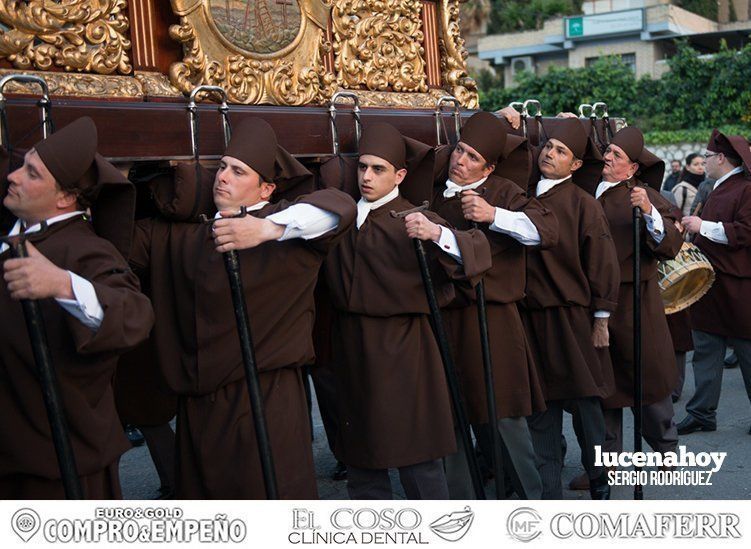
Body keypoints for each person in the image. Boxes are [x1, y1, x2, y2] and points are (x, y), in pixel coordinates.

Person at [130, 117, 357, 498]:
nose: (223, 177)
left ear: (266, 187)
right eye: (220, 167)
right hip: (200, 405)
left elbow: (340, 207)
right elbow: (114, 239)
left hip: (266, 399)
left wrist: (268, 229)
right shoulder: (181, 234)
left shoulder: (288, 228)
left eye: (238, 171)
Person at [323, 122, 491, 499]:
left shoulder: (416, 218)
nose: (367, 176)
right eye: (362, 167)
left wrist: (437, 235)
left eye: (378, 169)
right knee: (362, 457)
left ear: (400, 174)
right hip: (352, 348)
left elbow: (474, 258)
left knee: (417, 456)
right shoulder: (342, 217)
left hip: (405, 349)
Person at [0, 117, 154, 498]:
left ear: (65, 198)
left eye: (31, 173)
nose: (14, 177)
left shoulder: (84, 249)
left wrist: (61, 283)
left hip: (55, 459)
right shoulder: (21, 225)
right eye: (21, 165)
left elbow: (134, 312)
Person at [431, 111, 559, 500]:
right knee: (451, 419)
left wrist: (494, 215)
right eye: (459, 151)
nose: (460, 160)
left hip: (493, 321)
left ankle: (529, 505)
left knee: (503, 417)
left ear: (487, 165)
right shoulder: (435, 190)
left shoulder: (504, 191)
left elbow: (546, 231)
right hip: (445, 320)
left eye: (471, 157)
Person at [520, 118, 620, 500]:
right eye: (548, 146)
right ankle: (548, 493)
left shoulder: (583, 205)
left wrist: (601, 318)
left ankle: (600, 479)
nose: (550, 154)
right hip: (530, 318)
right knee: (540, 408)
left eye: (562, 151)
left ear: (576, 165)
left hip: (572, 318)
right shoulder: (523, 195)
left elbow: (602, 263)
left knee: (586, 405)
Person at [594, 127, 683, 461]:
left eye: (617, 155)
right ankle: (607, 462)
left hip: (636, 304)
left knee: (648, 379)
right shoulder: (592, 185)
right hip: (600, 303)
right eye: (609, 151)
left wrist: (648, 211)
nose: (608, 157)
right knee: (605, 385)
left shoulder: (643, 194)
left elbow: (671, 244)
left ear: (632, 168)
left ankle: (665, 452)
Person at [677, 130, 751, 435]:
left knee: (748, 351)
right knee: (706, 349)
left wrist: (702, 225)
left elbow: (746, 232)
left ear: (721, 158)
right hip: (710, 284)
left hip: (738, 286)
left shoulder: (746, 189)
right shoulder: (718, 187)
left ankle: (702, 412)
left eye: (707, 156)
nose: (704, 161)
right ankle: (701, 413)